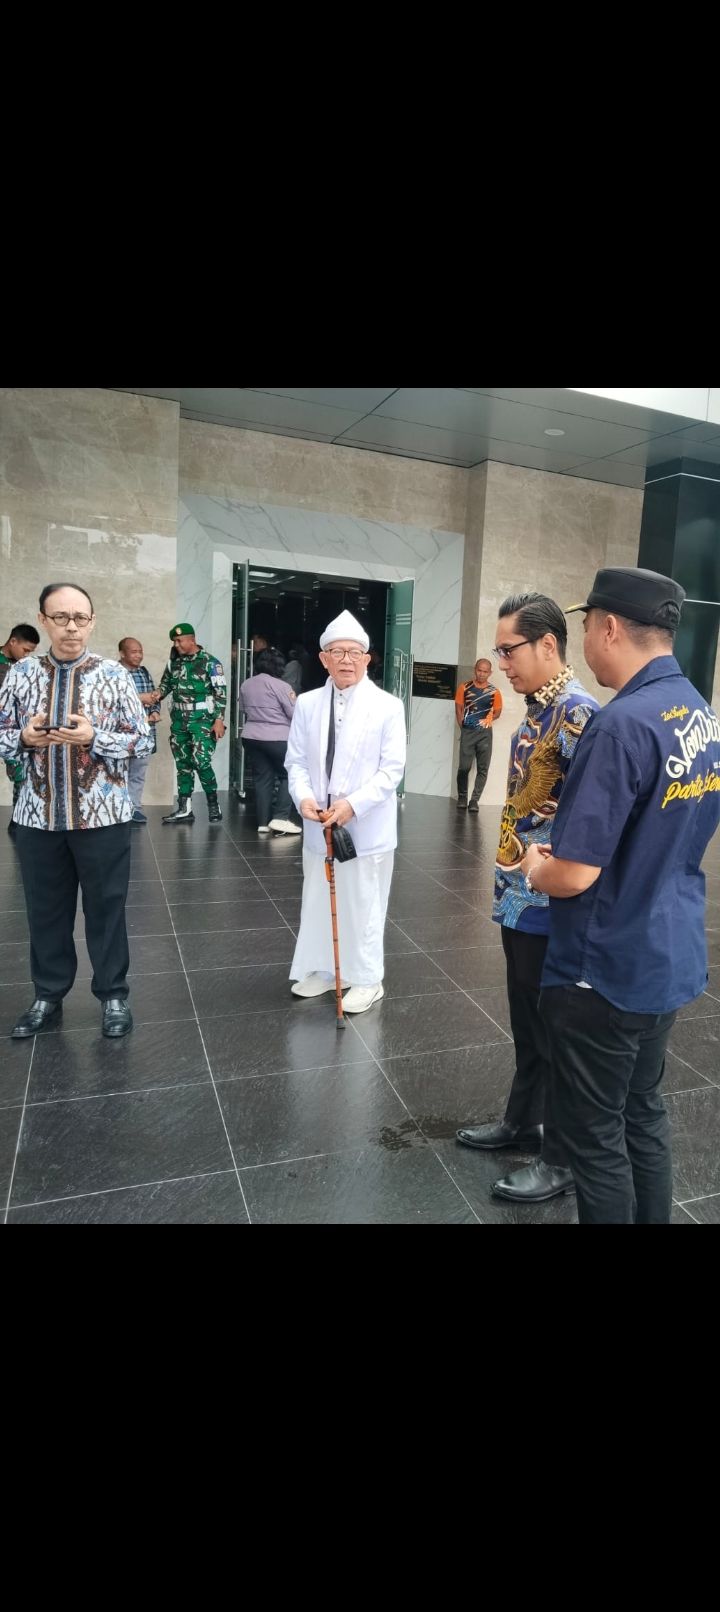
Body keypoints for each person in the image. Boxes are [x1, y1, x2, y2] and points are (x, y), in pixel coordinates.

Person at [519, 567, 720, 1224]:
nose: (585, 642)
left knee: (595, 1140)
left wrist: (534, 866)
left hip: (602, 970)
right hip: (666, 953)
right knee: (642, 1116)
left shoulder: (619, 725)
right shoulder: (699, 712)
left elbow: (575, 873)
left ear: (608, 626)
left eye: (584, 628)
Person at [455, 593, 599, 1202]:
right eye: (499, 651)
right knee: (525, 1017)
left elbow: (593, 824)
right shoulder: (537, 711)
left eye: (509, 650)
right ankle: (522, 1120)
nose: (502, 663)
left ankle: (561, 1156)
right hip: (518, 893)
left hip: (552, 902)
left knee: (557, 1026)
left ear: (548, 645)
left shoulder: (580, 715)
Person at [0, 583, 152, 1039]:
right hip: (37, 818)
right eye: (60, 617)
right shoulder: (20, 674)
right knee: (45, 910)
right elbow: (2, 730)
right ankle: (48, 994)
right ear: (43, 620)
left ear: (92, 621)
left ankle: (113, 996)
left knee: (107, 909)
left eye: (80, 618)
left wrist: (94, 738)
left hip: (102, 816)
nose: (71, 627)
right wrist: (24, 739)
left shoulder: (114, 675)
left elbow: (142, 740)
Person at [285, 608, 407, 1014]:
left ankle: (368, 978)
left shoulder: (387, 706)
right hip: (319, 822)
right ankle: (324, 969)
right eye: (337, 652)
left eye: (355, 652)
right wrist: (303, 796)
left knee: (364, 901)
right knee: (318, 897)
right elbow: (297, 761)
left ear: (368, 659)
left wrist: (353, 805)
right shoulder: (306, 703)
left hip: (365, 825)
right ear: (323, 659)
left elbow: (392, 770)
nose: (346, 660)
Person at [146, 623, 227, 825]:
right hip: (180, 720)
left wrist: (219, 720)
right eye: (174, 641)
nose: (177, 644)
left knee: (201, 761)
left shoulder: (210, 662)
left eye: (179, 640)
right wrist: (158, 694)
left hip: (203, 721)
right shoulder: (174, 663)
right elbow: (166, 684)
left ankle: (213, 804)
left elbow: (220, 693)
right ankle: (184, 809)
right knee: (183, 764)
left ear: (192, 640)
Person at [240, 648, 302, 835]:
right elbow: (294, 714)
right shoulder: (282, 686)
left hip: (251, 736)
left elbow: (243, 709)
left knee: (262, 779)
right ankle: (281, 818)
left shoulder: (246, 684)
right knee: (289, 774)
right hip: (278, 738)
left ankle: (262, 823)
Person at [1, 623, 40, 835]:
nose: (26, 656)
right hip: (3, 729)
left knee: (21, 773)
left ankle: (19, 821)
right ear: (13, 641)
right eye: (25, 650)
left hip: (19, 731)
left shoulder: (24, 666)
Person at [118, 637, 161, 823]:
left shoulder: (144, 672)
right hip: (122, 734)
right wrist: (139, 698)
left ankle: (134, 808)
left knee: (138, 774)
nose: (139, 656)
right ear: (122, 653)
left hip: (144, 733)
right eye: (134, 652)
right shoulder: (114, 672)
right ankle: (118, 809)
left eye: (140, 651)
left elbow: (153, 696)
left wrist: (155, 712)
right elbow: (110, 700)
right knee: (118, 773)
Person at [454, 657, 503, 811]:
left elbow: (498, 711)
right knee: (464, 767)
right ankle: (462, 797)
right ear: (475, 670)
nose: (481, 674)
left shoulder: (494, 691)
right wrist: (463, 726)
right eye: (479, 670)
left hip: (485, 734)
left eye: (485, 671)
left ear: (490, 673)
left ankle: (474, 800)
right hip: (468, 731)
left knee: (483, 768)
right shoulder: (464, 687)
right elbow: (459, 708)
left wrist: (488, 719)